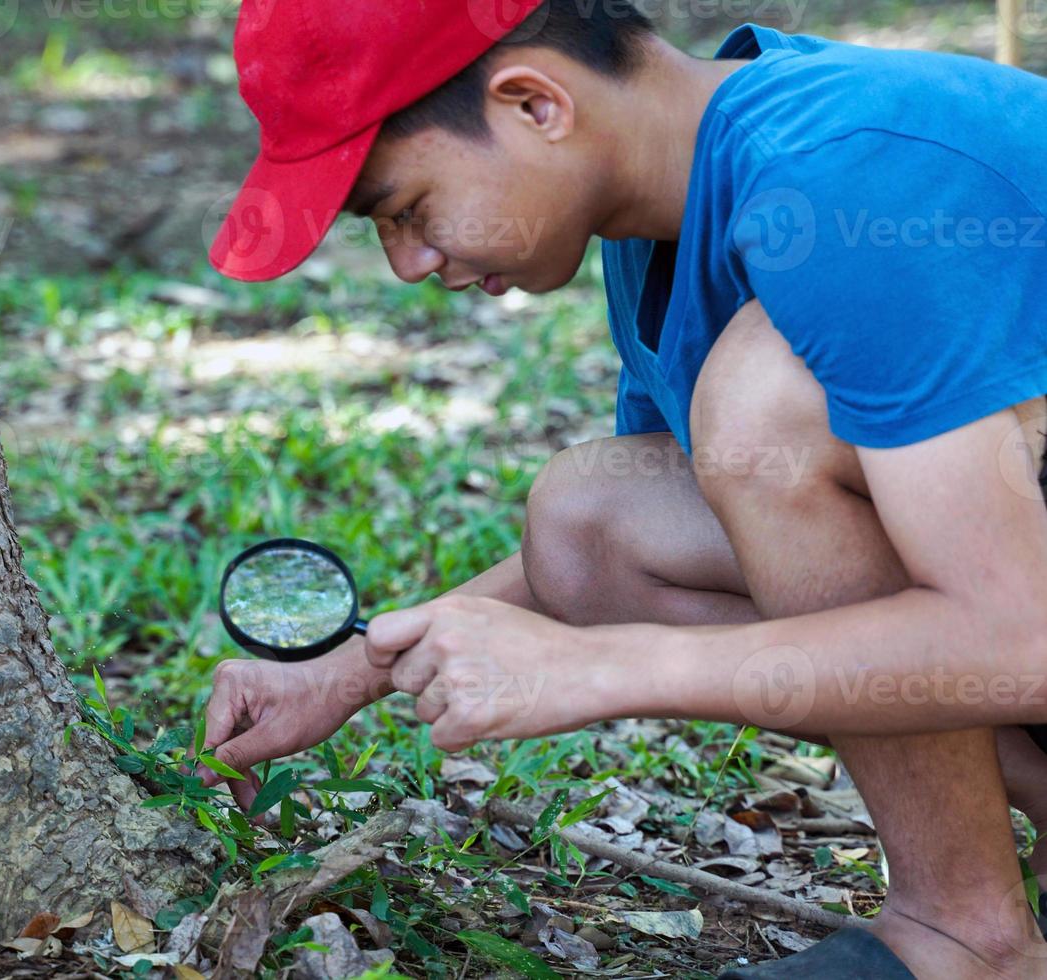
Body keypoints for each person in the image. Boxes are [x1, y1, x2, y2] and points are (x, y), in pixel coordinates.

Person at [198, 1, 1047, 975]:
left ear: (534, 104)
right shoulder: (655, 226)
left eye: (405, 208)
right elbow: (653, 540)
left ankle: (961, 937)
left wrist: (599, 669)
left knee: (763, 402)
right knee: (590, 521)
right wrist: (344, 674)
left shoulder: (841, 172)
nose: (409, 262)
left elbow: (1021, 637)